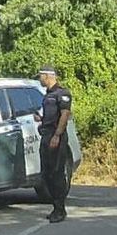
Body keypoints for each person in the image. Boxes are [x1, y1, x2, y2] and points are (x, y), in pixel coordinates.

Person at [37, 65, 72, 223]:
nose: (40, 79)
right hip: (46, 135)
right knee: (46, 174)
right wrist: (41, 119)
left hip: (55, 136)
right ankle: (55, 206)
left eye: (41, 76)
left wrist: (57, 135)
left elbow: (65, 114)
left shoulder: (62, 94)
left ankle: (60, 209)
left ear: (48, 76)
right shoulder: (48, 95)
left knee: (57, 173)